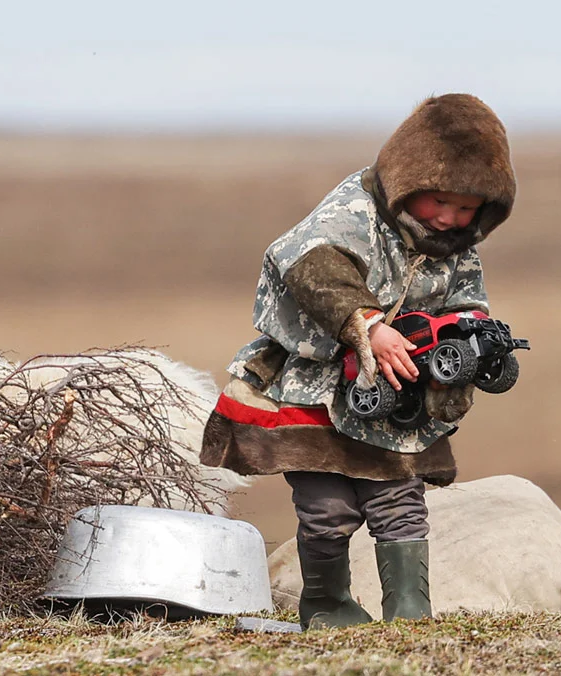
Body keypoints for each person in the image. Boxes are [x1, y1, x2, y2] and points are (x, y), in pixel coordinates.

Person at [200, 93, 517, 629]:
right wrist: (368, 324)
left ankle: (411, 614)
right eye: (439, 200)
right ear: (408, 183)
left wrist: (471, 347)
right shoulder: (354, 210)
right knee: (326, 510)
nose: (448, 217)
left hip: (398, 396)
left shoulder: (456, 244)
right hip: (315, 390)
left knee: (399, 501)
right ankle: (326, 607)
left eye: (466, 208)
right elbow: (308, 262)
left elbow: (466, 300)